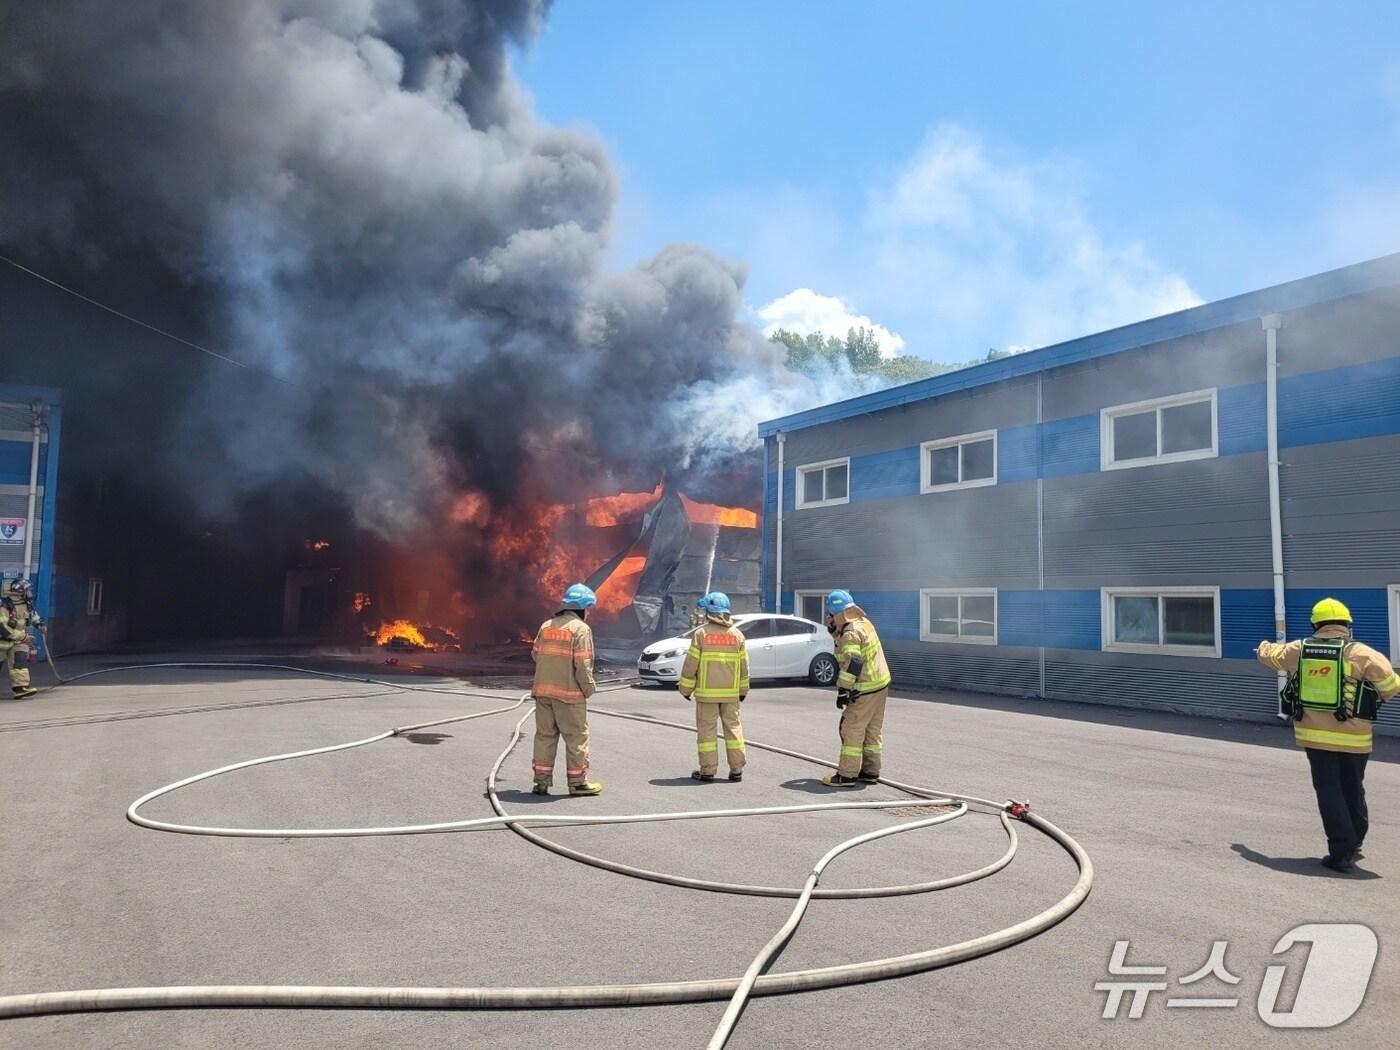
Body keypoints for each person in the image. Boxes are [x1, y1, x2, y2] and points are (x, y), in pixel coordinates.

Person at [1258, 598, 1400, 872]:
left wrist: (1263, 646)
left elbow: (1273, 656)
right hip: (1356, 739)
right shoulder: (1363, 654)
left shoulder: (1299, 649)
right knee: (1353, 788)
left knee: (1329, 791)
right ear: (1347, 625)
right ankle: (1355, 841)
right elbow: (1391, 687)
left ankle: (1341, 852)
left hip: (1316, 737)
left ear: (1316, 624)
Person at [529, 583, 602, 797]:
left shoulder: (546, 626)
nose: (589, 613)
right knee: (576, 738)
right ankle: (578, 783)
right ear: (581, 608)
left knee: (544, 736)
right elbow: (583, 664)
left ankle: (541, 782)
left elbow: (535, 654)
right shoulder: (581, 629)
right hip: (569, 696)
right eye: (588, 608)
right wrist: (588, 688)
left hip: (543, 693)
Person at [822, 589, 891, 788]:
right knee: (872, 730)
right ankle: (870, 771)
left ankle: (847, 775)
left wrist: (843, 690)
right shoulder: (863, 623)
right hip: (880, 685)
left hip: (864, 688)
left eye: (830, 614)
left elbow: (853, 661)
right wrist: (834, 630)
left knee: (852, 728)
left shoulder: (850, 632)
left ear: (835, 613)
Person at [678, 591, 748, 781]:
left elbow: (691, 664)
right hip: (731, 696)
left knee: (707, 732)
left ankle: (708, 771)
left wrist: (685, 689)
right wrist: (743, 691)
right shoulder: (737, 635)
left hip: (706, 695)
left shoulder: (701, 634)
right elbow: (744, 667)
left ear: (710, 611)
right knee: (733, 730)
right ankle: (737, 770)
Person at [2, 576, 41, 699]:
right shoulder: (4, 606)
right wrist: (22, 636)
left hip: (18, 640)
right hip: (2, 641)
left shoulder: (27, 605)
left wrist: (39, 624)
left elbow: (33, 616)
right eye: (27, 590)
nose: (29, 593)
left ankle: (20, 688)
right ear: (19, 592)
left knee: (20, 661)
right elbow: (3, 628)